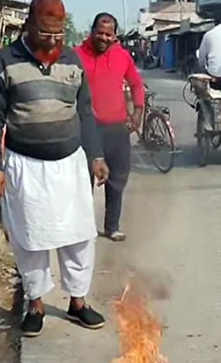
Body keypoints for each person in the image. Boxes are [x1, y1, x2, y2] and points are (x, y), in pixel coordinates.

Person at [0, 0, 110, 337]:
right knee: (31, 239)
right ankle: (35, 304)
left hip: (69, 165)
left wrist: (95, 155)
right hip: (26, 167)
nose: (53, 41)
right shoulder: (3, 62)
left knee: (80, 237)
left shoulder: (72, 60)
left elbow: (85, 112)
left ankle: (78, 302)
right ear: (28, 26)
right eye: (45, 33)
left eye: (58, 34)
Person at [75, 13, 145, 243]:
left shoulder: (122, 56)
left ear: (114, 36)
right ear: (92, 31)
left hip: (116, 129)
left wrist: (137, 112)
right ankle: (82, 227)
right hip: (87, 129)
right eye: (100, 33)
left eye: (109, 34)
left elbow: (136, 84)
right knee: (83, 181)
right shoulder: (76, 55)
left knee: (117, 180)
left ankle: (112, 226)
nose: (104, 37)